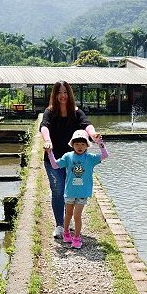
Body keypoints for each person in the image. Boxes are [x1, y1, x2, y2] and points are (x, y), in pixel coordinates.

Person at [40, 81, 102, 239]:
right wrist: (47, 141)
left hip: (73, 160)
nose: (62, 96)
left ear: (69, 94)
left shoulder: (76, 112)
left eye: (65, 92)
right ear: (55, 95)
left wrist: (93, 135)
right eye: (59, 92)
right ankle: (60, 225)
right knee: (58, 190)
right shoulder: (49, 112)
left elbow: (87, 125)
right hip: (53, 158)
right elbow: (44, 126)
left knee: (70, 190)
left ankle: (67, 221)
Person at [46, 129, 109, 249]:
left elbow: (105, 155)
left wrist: (100, 143)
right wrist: (49, 153)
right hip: (70, 191)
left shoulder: (90, 158)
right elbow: (55, 165)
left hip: (83, 193)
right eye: (77, 144)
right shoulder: (68, 156)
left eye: (83, 144)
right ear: (72, 145)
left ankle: (76, 238)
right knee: (68, 214)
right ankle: (66, 233)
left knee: (77, 215)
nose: (80, 146)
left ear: (87, 145)